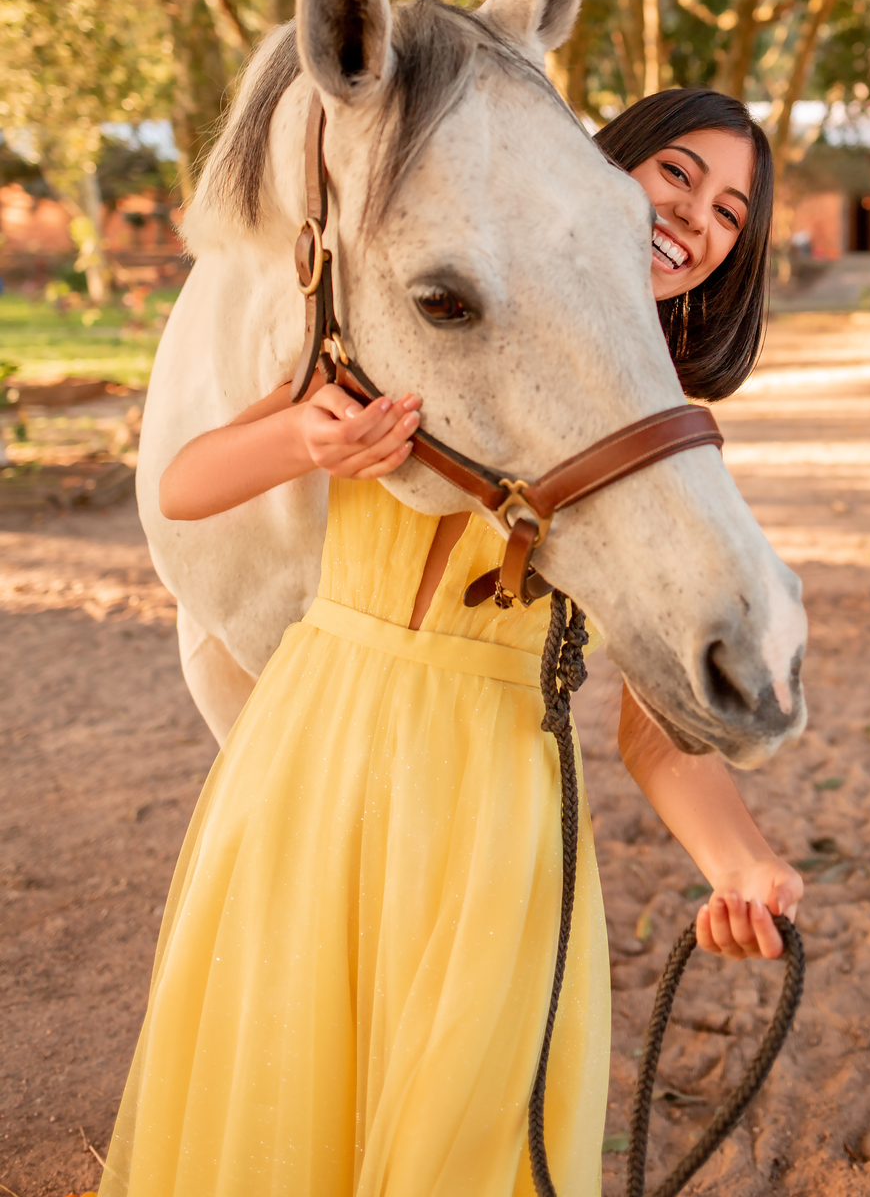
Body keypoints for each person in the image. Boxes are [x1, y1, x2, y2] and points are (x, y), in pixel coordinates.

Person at [100, 86, 803, 1197]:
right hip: (306, 771)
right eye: (677, 173)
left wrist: (742, 864)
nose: (696, 217)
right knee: (279, 1094)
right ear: (599, 167)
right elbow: (185, 486)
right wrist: (302, 435)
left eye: (730, 212)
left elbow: (658, 729)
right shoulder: (413, 322)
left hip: (492, 813)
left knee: (462, 1133)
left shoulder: (668, 450)